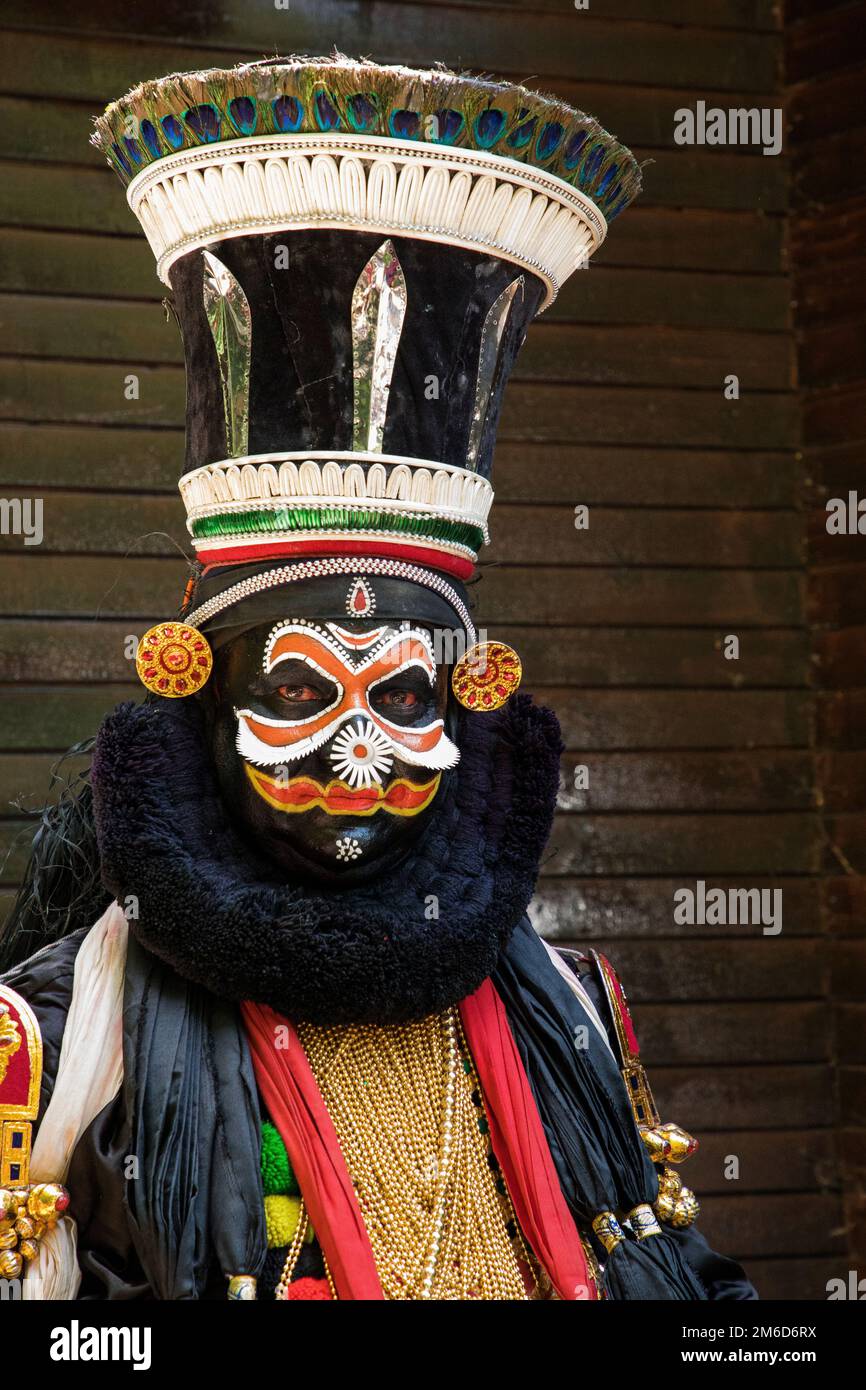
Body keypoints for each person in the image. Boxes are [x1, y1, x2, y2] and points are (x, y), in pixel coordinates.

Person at [0, 55, 755, 1301]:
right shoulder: (57, 1050)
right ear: (194, 696)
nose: (360, 752)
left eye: (403, 695)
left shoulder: (571, 1007)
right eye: (297, 691)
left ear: (464, 698)